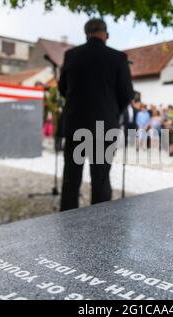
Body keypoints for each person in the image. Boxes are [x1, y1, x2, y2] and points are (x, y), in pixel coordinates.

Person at [58, 18, 134, 211]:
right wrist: (111, 110)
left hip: (75, 124)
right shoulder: (117, 57)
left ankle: (66, 223)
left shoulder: (71, 55)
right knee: (100, 179)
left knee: (71, 179)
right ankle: (98, 228)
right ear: (104, 33)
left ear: (86, 33)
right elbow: (127, 94)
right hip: (104, 127)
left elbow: (62, 88)